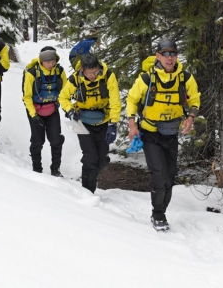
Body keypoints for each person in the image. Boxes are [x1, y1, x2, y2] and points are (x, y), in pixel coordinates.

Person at [126, 39, 200, 231]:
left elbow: (195, 99)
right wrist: (132, 124)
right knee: (158, 174)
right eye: (165, 54)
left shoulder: (185, 77)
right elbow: (132, 100)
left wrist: (190, 117)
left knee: (169, 175)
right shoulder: (146, 79)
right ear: (157, 56)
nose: (169, 57)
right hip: (150, 133)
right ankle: (158, 214)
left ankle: (161, 210)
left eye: (173, 54)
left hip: (171, 134)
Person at [59, 53, 121, 193]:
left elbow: (115, 101)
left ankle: (88, 183)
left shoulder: (107, 76)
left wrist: (113, 123)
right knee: (90, 156)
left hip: (103, 120)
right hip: (82, 121)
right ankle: (88, 191)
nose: (93, 75)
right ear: (82, 70)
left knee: (101, 158)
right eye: (89, 73)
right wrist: (69, 111)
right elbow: (63, 97)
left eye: (95, 71)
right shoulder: (75, 79)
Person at [22, 46, 67, 176]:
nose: (51, 64)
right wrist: (33, 114)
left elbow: (65, 91)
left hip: (52, 109)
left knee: (56, 140)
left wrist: (66, 108)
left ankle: (55, 170)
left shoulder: (59, 71)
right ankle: (37, 169)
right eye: (48, 62)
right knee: (37, 141)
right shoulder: (32, 73)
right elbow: (27, 97)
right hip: (36, 111)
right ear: (41, 61)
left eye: (53, 61)